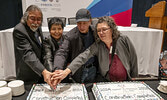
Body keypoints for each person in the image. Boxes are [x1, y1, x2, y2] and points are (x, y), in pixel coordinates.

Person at [51, 16, 138, 87]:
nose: (101, 33)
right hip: (107, 81)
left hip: (126, 81)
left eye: (104, 29)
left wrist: (133, 76)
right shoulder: (98, 45)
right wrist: (66, 71)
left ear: (111, 29)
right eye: (99, 30)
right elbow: (82, 57)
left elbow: (133, 58)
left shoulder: (123, 39)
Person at [53, 8, 98, 83]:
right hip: (78, 70)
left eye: (84, 23)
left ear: (90, 21)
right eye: (79, 23)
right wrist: (58, 69)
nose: (81, 26)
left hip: (93, 68)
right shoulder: (71, 35)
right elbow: (62, 52)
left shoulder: (96, 32)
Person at [13, 5, 53, 85]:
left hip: (40, 74)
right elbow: (28, 54)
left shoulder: (37, 27)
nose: (35, 22)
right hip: (28, 76)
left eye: (39, 19)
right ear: (26, 17)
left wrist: (48, 69)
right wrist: (44, 71)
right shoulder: (19, 30)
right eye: (32, 18)